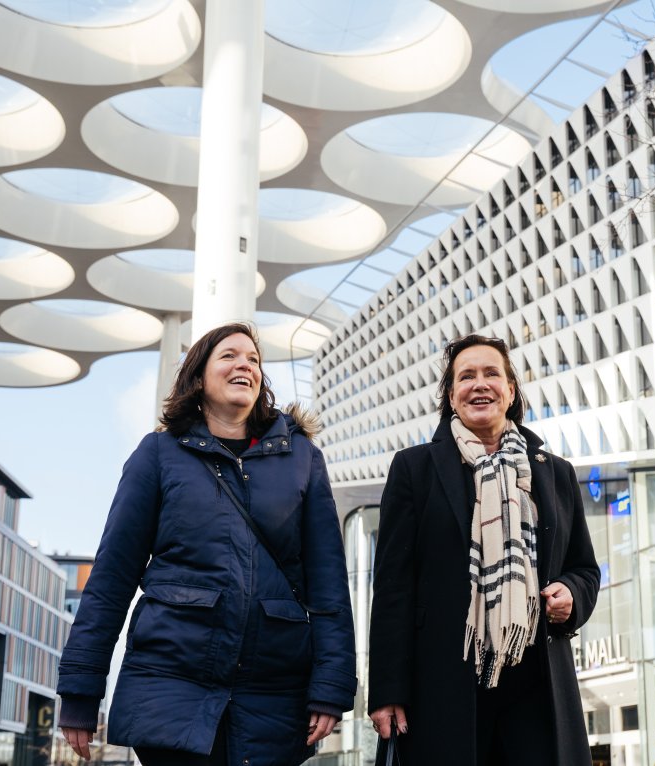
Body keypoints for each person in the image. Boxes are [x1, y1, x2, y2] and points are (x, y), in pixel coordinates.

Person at [57, 322, 356, 766]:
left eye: (254, 359)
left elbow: (329, 582)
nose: (245, 365)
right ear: (199, 375)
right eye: (230, 356)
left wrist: (331, 687)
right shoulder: (158, 454)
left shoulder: (303, 459)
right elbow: (112, 578)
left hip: (273, 692)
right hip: (170, 683)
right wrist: (81, 689)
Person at [368, 334, 601, 766]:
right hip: (445, 679)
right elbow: (393, 588)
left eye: (492, 373)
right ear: (451, 395)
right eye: (466, 376)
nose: (480, 384)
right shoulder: (414, 469)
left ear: (511, 391)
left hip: (537, 680)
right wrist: (387, 690)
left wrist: (572, 594)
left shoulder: (555, 474)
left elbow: (584, 568)